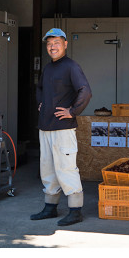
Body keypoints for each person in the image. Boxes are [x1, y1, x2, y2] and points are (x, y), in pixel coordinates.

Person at [31, 28, 92, 226]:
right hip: (45, 127)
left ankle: (75, 211)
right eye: (49, 44)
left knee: (66, 168)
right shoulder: (48, 68)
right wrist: (40, 102)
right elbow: (39, 88)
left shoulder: (71, 66)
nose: (52, 47)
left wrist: (72, 111)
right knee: (47, 169)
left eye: (56, 43)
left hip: (63, 128)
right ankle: (50, 207)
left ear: (65, 44)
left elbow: (85, 91)